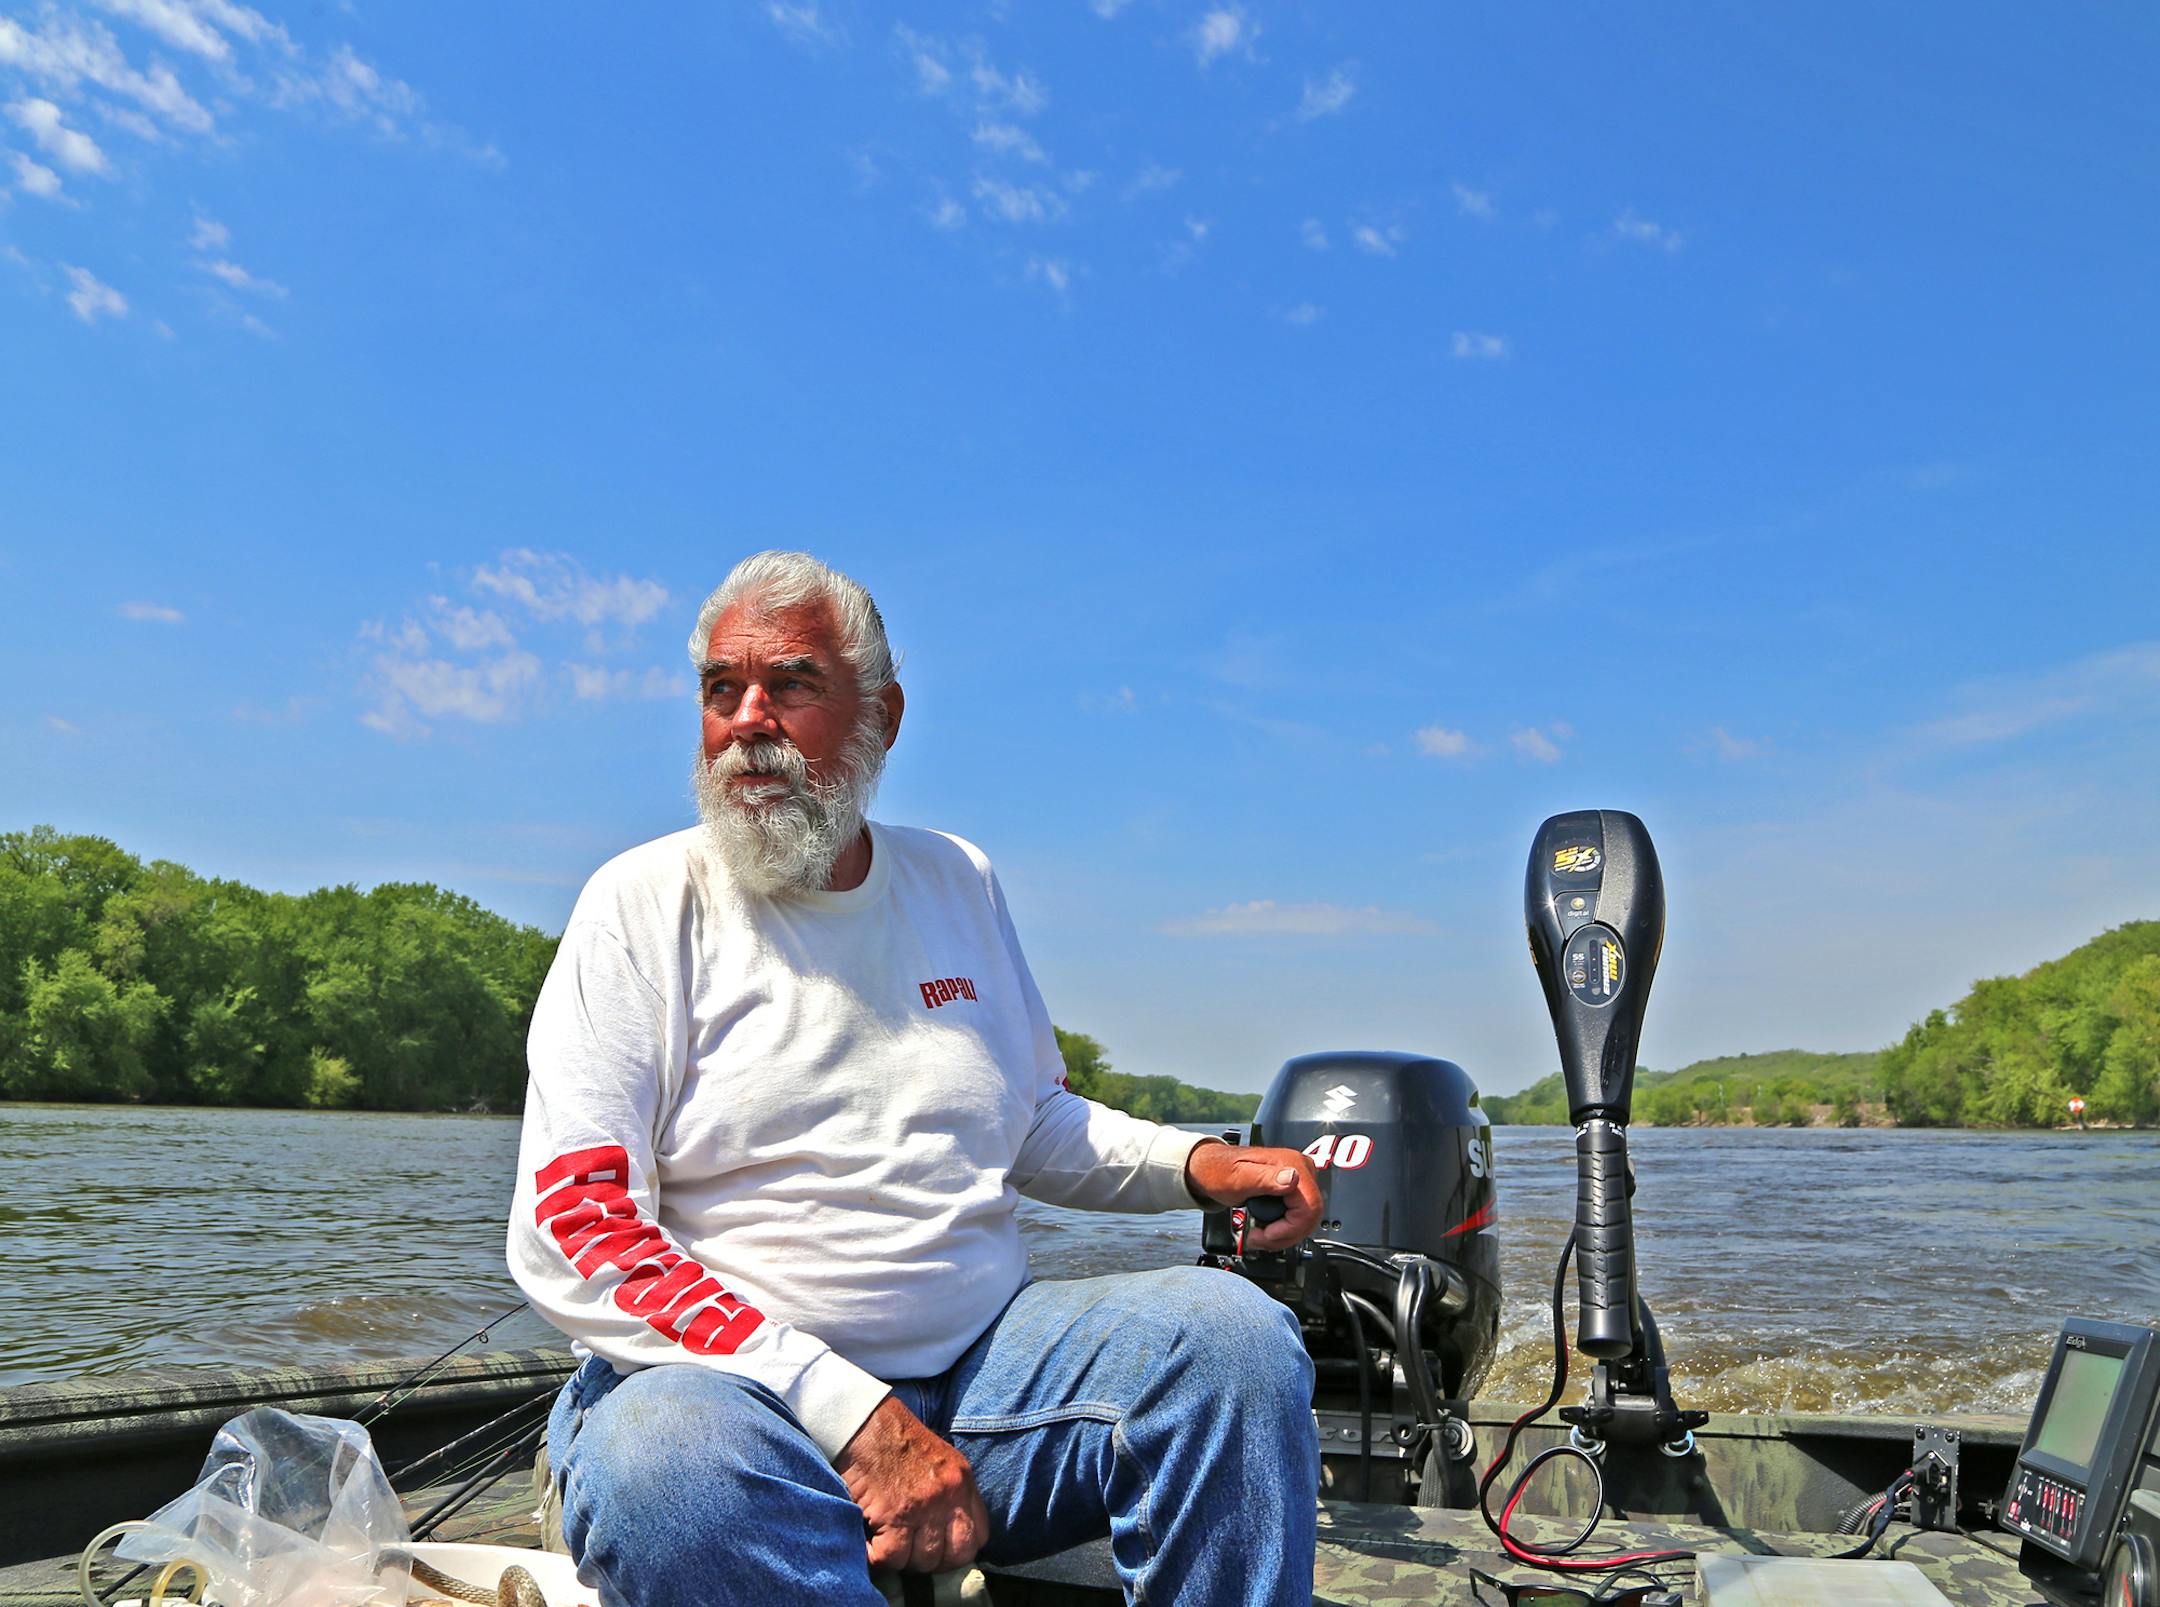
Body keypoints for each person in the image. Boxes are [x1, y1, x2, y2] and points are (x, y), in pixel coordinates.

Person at [508, 550, 1324, 1606]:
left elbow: (1028, 1116)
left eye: (790, 683)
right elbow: (584, 1226)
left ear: (882, 717)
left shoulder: (957, 879)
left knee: (1237, 1345)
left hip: (985, 1386)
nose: (748, 718)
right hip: (736, 1405)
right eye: (721, 689)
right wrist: (859, 1418)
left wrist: (1200, 1161)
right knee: (667, 1467)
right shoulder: (639, 903)